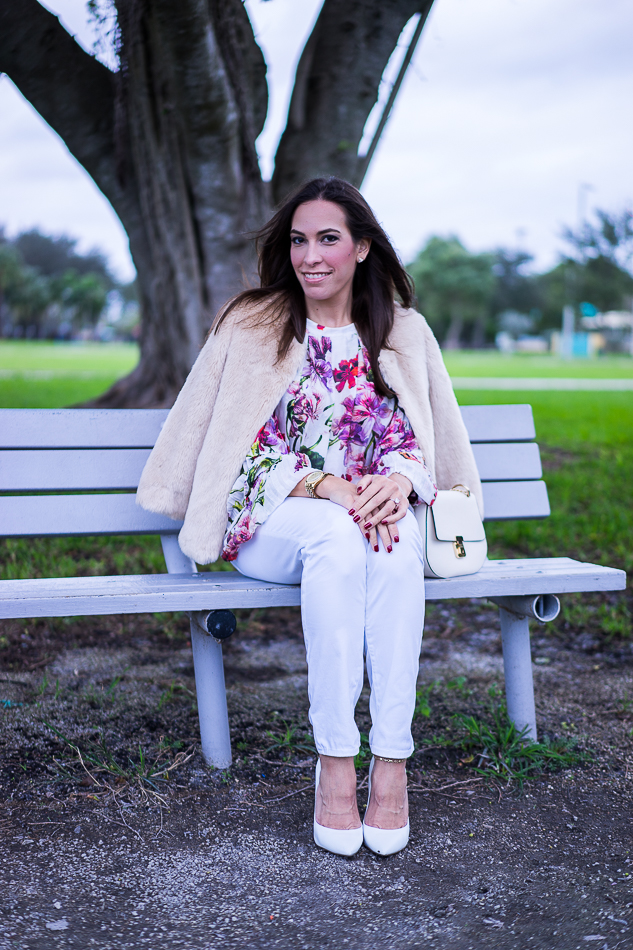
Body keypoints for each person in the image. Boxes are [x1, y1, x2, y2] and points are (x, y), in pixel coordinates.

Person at [137, 177, 482, 857]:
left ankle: (391, 762)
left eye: (328, 239)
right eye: (299, 240)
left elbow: (419, 438)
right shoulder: (252, 322)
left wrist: (397, 480)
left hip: (364, 523)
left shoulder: (402, 331)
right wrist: (326, 485)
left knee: (386, 544)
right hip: (269, 522)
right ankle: (335, 763)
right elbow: (235, 445)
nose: (310, 256)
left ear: (361, 247)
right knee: (335, 531)